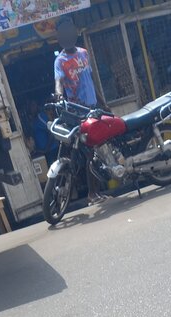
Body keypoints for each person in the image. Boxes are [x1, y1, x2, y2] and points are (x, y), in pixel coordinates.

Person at [53, 16, 103, 204]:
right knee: (90, 153)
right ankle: (92, 194)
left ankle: (97, 192)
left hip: (94, 109)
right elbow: (58, 82)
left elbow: (91, 81)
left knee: (98, 151)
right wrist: (59, 96)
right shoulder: (60, 61)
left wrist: (103, 103)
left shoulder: (84, 53)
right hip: (79, 113)